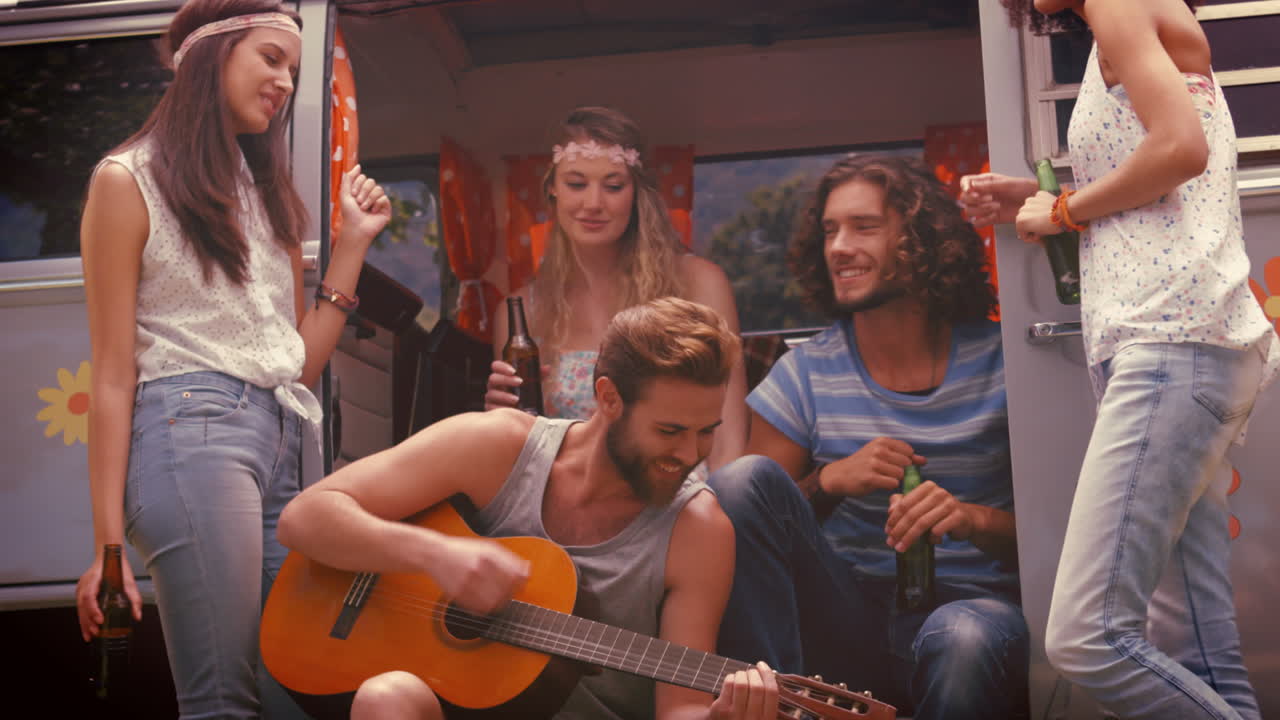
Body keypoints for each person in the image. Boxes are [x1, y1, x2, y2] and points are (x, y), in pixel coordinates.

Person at [72, 0, 391, 717]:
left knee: (296, 688)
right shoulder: (127, 180)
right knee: (224, 699)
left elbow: (294, 366)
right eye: (270, 59)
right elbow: (114, 373)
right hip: (191, 435)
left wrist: (352, 244)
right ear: (210, 56)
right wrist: (107, 547)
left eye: (294, 69)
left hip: (278, 441)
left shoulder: (265, 196)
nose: (284, 82)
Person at [961, 1, 1280, 718]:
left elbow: (1180, 150)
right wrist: (1036, 197)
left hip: (1171, 343)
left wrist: (1066, 211)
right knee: (1200, 648)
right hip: (1179, 344)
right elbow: (1163, 173)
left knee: (1085, 641)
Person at [276, 297, 778, 720]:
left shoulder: (699, 528)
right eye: (669, 432)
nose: (690, 456)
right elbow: (305, 517)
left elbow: (680, 707)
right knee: (386, 698)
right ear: (609, 398)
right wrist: (434, 555)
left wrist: (722, 715)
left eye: (706, 432)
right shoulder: (499, 447)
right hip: (452, 700)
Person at [709, 154, 1029, 720]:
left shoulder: (1008, 365)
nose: (838, 246)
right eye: (830, 230)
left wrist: (969, 518)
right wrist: (829, 482)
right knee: (740, 481)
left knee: (962, 641)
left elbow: (1071, 533)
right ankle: (773, 706)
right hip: (850, 617)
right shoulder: (804, 375)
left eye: (864, 227)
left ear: (922, 240)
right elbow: (742, 527)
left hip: (973, 612)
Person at [484, 106, 747, 471]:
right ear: (552, 191)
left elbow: (728, 442)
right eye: (576, 184)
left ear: (637, 194)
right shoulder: (520, 311)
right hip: (569, 507)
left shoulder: (700, 283)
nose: (593, 203)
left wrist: (716, 519)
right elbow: (521, 458)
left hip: (687, 501)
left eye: (613, 186)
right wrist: (499, 422)